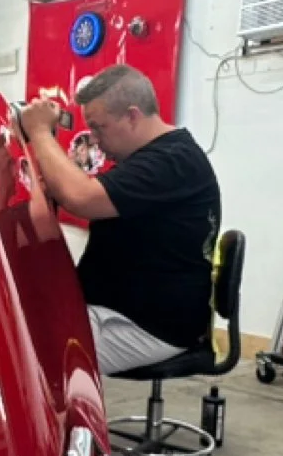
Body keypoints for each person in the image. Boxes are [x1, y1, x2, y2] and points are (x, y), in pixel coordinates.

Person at [15, 64, 221, 375]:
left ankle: (64, 423)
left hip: (150, 325)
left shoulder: (172, 161)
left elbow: (81, 197)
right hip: (121, 310)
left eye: (99, 127)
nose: (94, 140)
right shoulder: (145, 158)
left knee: (23, 357)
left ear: (133, 116)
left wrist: (40, 131)